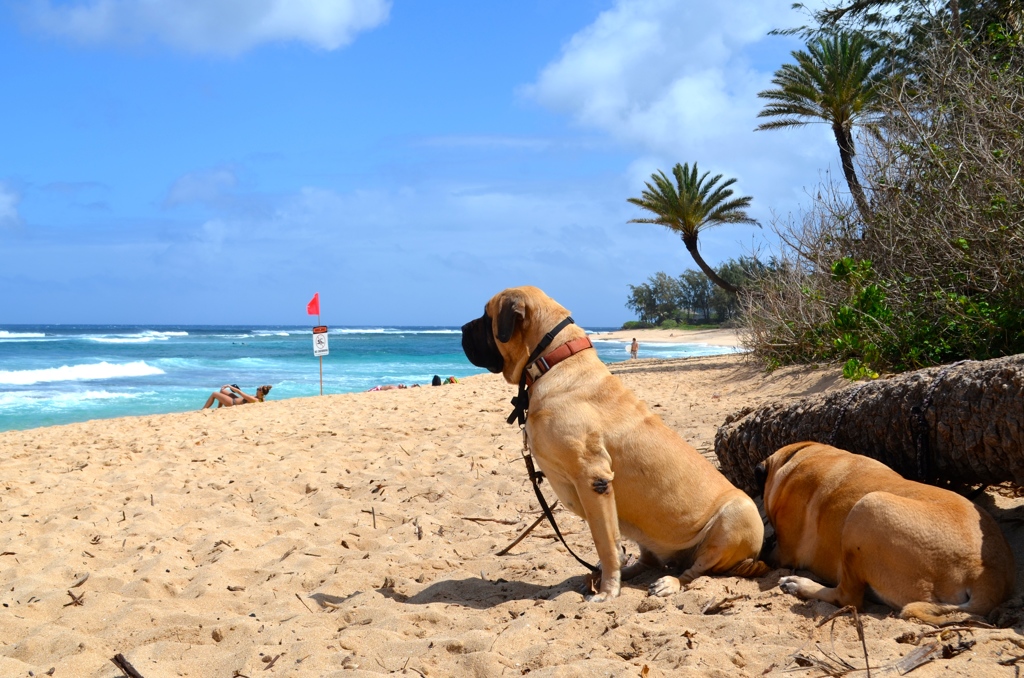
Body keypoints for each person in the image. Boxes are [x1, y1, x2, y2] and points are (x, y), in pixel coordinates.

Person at [202, 384, 272, 409]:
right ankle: (219, 408)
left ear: (261, 392)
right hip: (237, 399)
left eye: (258, 389)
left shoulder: (254, 399)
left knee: (214, 393)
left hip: (232, 402)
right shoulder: (262, 399)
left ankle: (203, 409)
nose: (256, 390)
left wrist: (229, 386)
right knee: (222, 390)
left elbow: (240, 392)